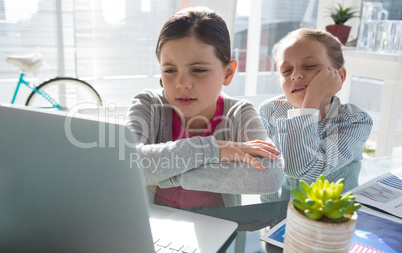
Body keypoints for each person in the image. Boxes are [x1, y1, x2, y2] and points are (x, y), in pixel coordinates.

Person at [125, 7, 283, 210]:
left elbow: (270, 177)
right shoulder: (148, 105)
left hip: (218, 225)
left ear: (228, 73)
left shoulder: (240, 113)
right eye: (170, 70)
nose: (183, 84)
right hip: (154, 225)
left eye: (198, 70)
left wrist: (164, 176)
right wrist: (215, 149)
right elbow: (128, 164)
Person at [259, 28, 373, 181]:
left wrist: (312, 99)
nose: (296, 75)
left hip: (335, 203)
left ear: (339, 75)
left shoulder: (356, 120)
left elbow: (302, 169)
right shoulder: (271, 110)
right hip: (284, 203)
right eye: (286, 70)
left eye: (310, 66)